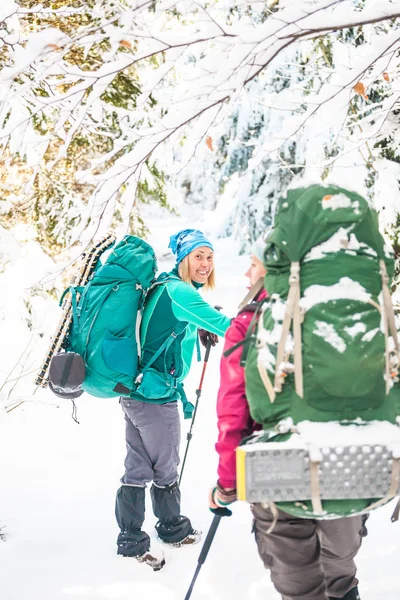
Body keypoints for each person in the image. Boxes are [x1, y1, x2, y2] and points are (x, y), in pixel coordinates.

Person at [209, 234, 366, 600]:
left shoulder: (248, 325)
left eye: (253, 263)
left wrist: (227, 485)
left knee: (301, 588)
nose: (247, 273)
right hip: (345, 467)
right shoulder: (348, 313)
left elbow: (234, 416)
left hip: (278, 472)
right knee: (341, 578)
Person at [115, 228, 231, 569]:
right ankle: (172, 528)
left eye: (209, 257)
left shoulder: (164, 286)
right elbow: (230, 326)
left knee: (137, 466)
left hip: (135, 391)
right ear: (183, 259)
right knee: (165, 467)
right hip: (156, 395)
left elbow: (163, 327)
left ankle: (131, 540)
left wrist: (196, 327)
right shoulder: (180, 292)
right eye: (198, 256)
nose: (206, 264)